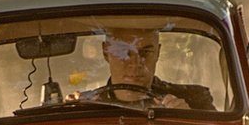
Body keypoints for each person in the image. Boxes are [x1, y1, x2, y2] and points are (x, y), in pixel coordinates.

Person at [83, 28, 215, 110]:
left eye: (145, 53)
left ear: (157, 53)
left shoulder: (195, 100)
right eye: (123, 52)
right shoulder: (85, 107)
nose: (135, 63)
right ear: (106, 52)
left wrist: (188, 120)